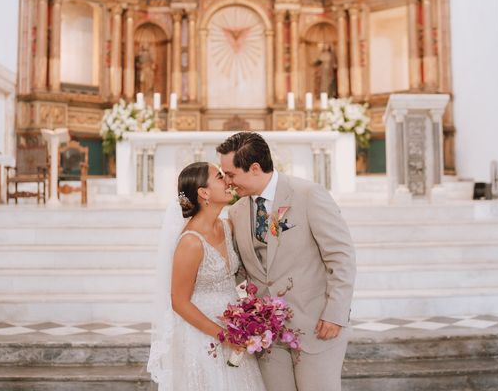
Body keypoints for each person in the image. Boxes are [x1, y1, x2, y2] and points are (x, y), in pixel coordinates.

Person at [217, 132, 356, 391]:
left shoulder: (308, 194)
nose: (227, 182)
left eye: (231, 174)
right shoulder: (236, 212)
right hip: (267, 338)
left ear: (255, 168)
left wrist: (336, 314)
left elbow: (341, 255)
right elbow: (245, 271)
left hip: (316, 326)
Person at [147, 162, 266, 390]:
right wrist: (224, 335)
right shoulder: (191, 241)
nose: (228, 181)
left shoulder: (227, 226)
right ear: (204, 193)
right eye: (220, 177)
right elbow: (179, 302)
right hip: (202, 335)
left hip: (234, 327)